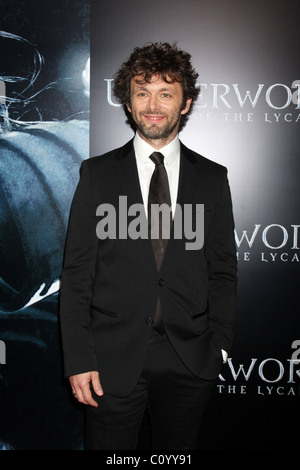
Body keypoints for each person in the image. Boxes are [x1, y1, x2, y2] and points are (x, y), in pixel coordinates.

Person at [59, 42, 237, 450]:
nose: (152, 105)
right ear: (128, 103)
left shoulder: (212, 178)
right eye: (142, 92)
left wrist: (220, 347)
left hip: (189, 360)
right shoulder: (97, 175)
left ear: (186, 103)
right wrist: (80, 358)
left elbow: (223, 269)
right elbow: (76, 274)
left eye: (165, 93)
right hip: (110, 360)